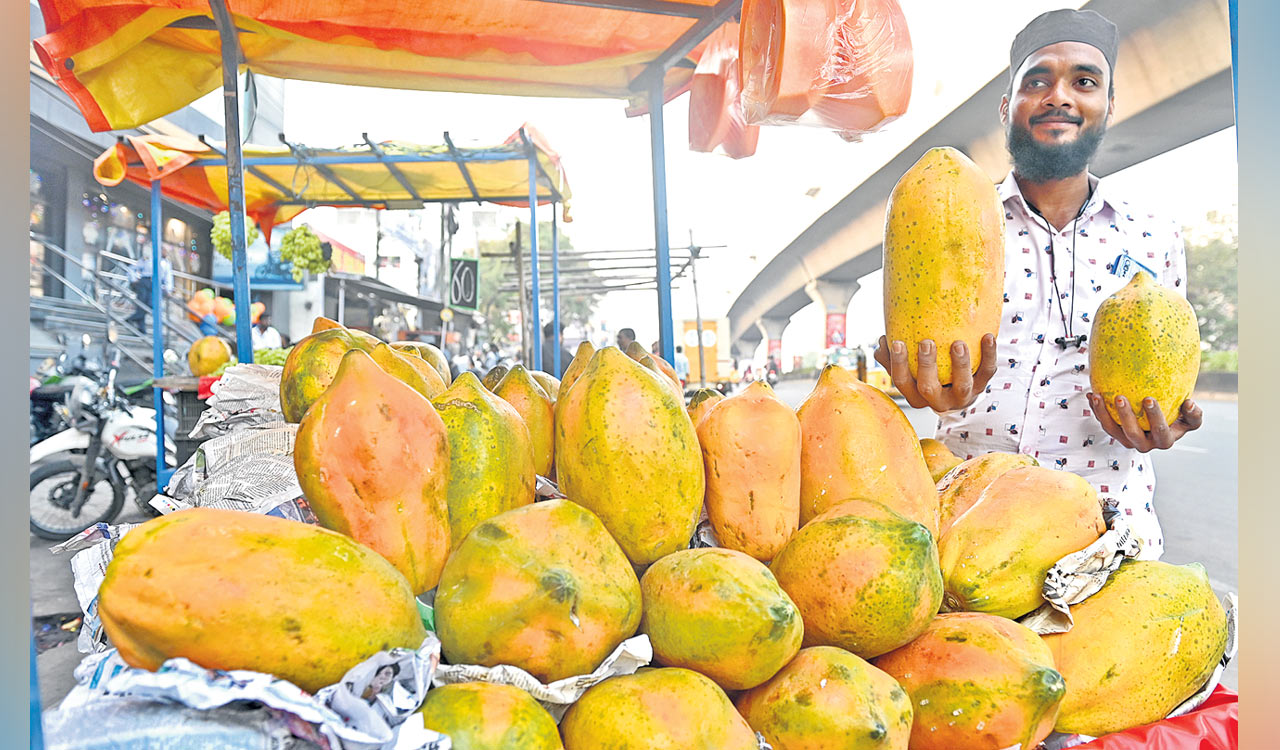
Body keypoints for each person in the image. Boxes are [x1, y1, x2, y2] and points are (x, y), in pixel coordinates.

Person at [874, 9, 1201, 560]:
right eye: (1037, 80)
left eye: (1085, 82)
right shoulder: (944, 216)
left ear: (1108, 106)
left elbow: (1164, 370)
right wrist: (922, 388)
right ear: (1008, 106)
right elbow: (916, 346)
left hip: (1107, 532)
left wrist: (1161, 423)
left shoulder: (1154, 235)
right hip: (966, 527)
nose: (1060, 96)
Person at [125, 248, 173, 330]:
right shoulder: (148, 258)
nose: (165, 252)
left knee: (152, 305)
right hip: (145, 282)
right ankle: (141, 328)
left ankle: (132, 319)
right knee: (142, 303)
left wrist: (168, 289)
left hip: (157, 284)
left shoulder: (166, 263)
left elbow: (168, 277)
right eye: (164, 250)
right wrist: (133, 279)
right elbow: (132, 268)